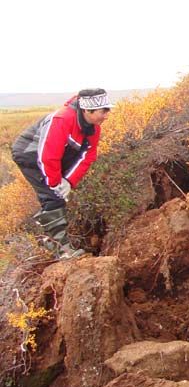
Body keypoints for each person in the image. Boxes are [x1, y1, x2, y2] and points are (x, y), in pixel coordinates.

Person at [11, 88, 113, 259]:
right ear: (88, 110)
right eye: (103, 111)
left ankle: (47, 233)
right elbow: (47, 156)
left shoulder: (93, 128)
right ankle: (62, 250)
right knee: (53, 196)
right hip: (29, 155)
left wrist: (68, 181)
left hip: (52, 156)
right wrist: (55, 183)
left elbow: (88, 156)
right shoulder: (62, 119)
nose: (106, 116)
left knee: (55, 194)